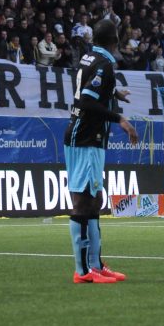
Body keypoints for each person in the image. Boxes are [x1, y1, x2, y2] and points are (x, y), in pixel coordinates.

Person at [64, 19, 139, 284]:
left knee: (95, 199)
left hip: (91, 138)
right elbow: (85, 101)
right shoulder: (105, 64)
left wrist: (114, 93)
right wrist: (120, 119)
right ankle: (82, 270)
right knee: (83, 200)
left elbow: (89, 88)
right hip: (84, 137)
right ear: (116, 40)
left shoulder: (89, 57)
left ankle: (95, 264)